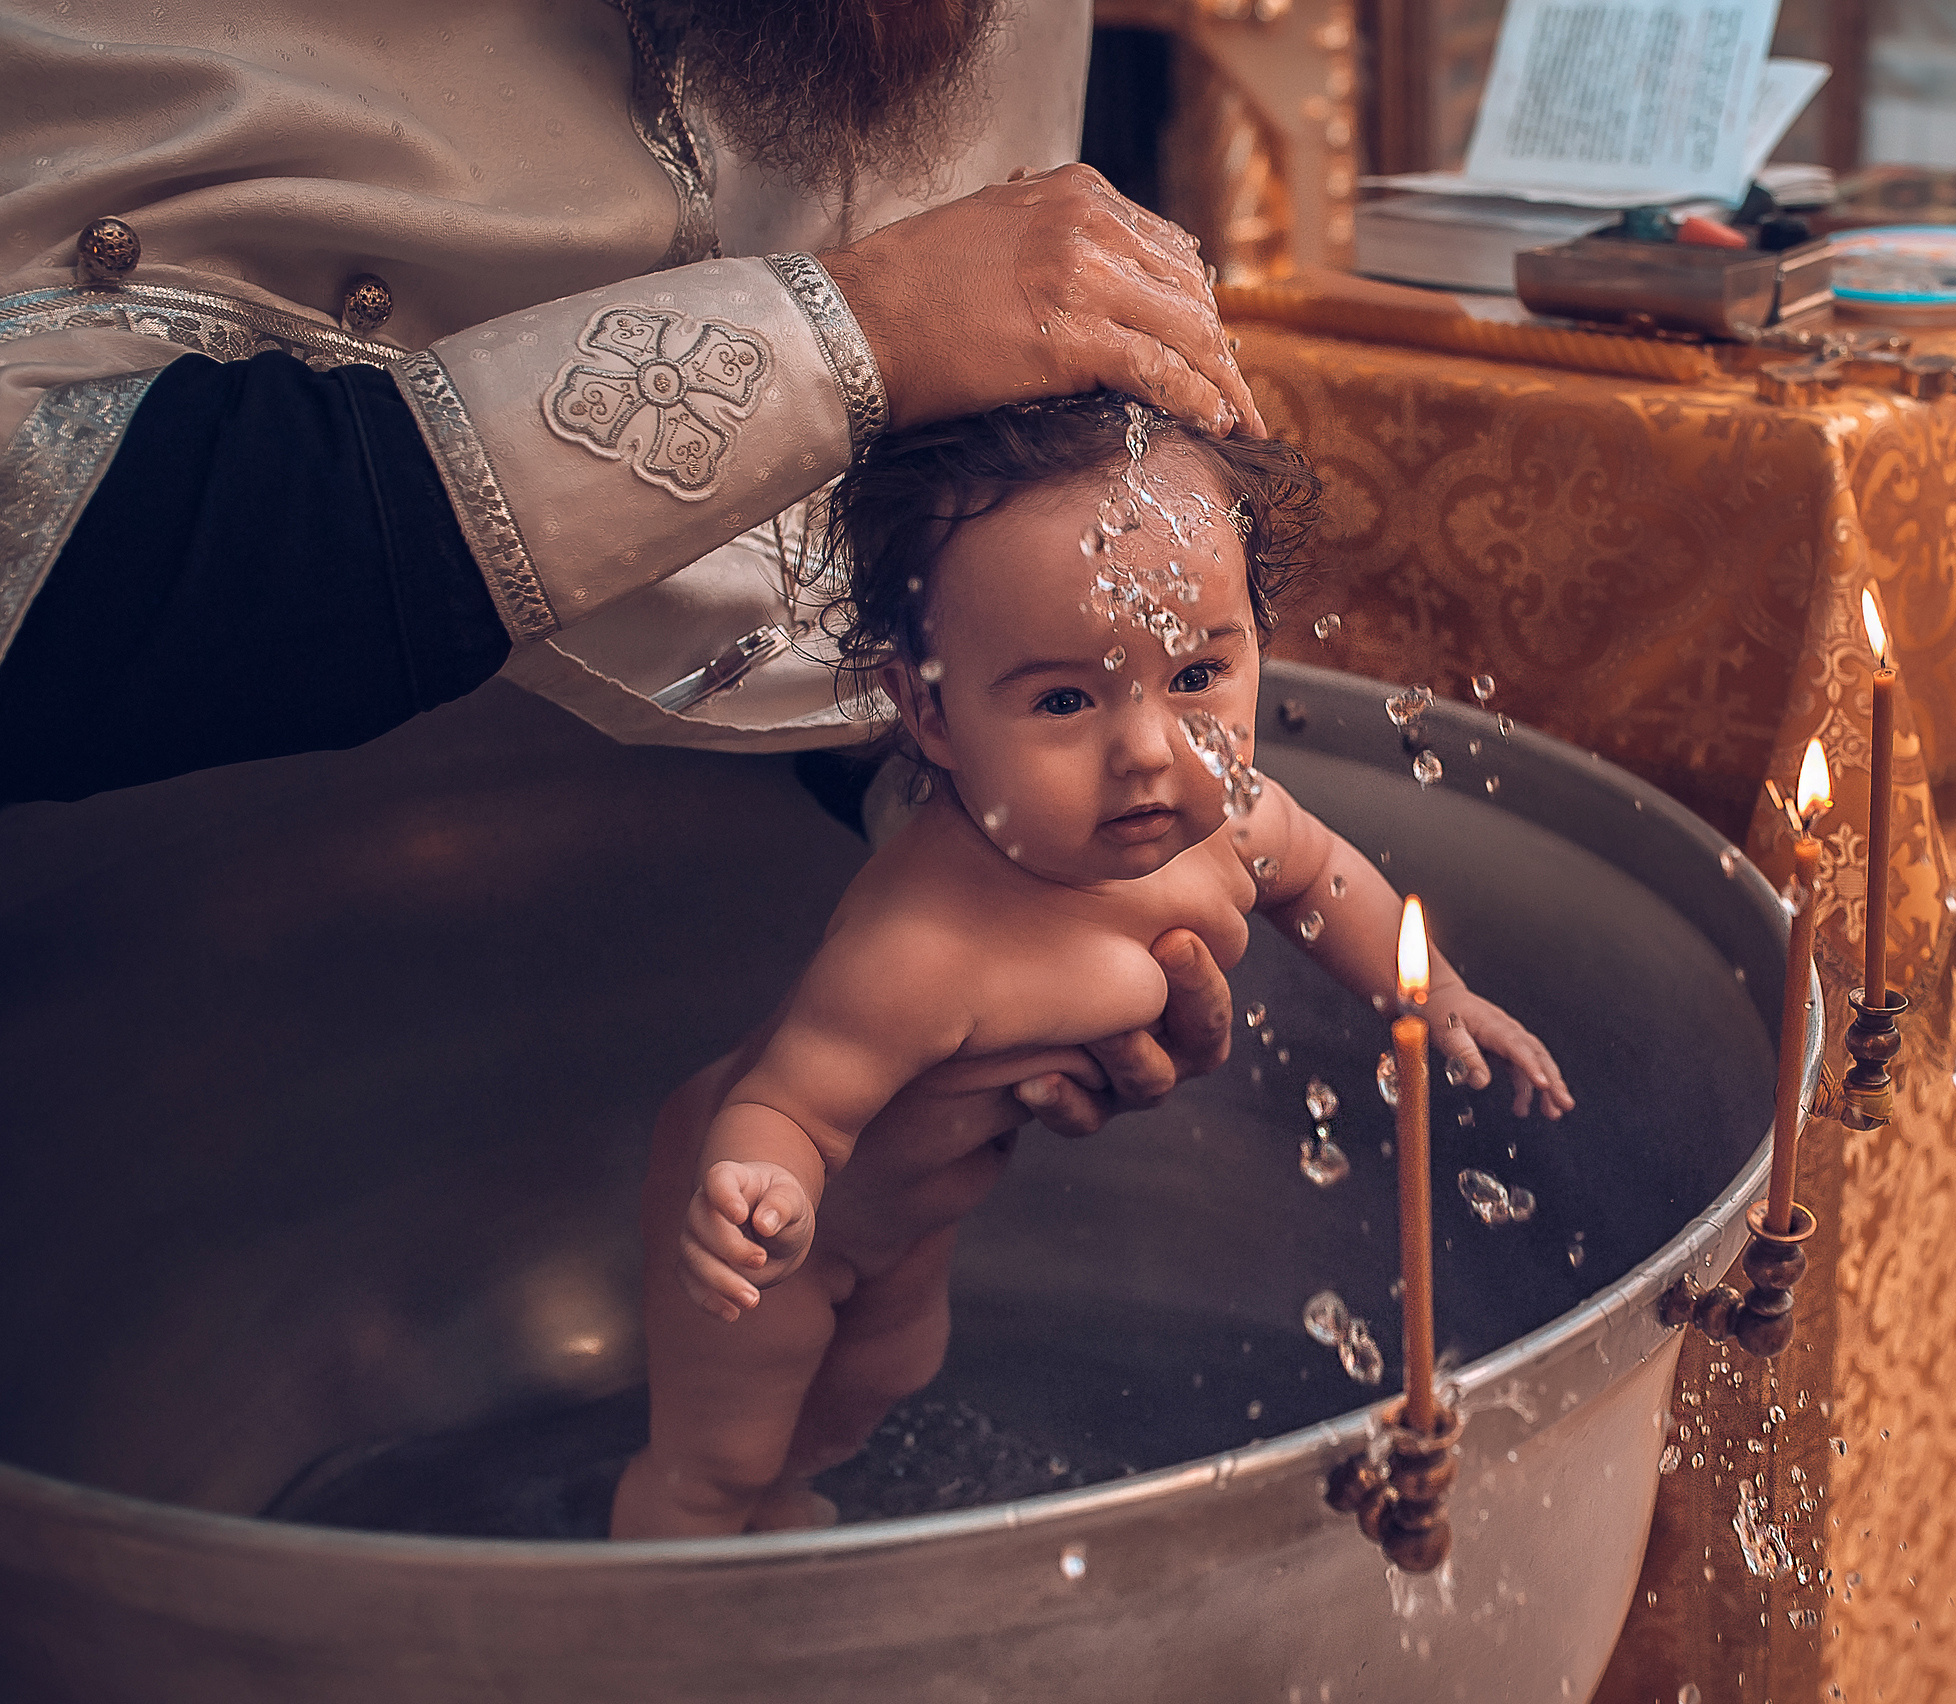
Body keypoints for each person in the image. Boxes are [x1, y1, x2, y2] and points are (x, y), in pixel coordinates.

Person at [0, 0, 1251, 1136]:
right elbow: (41, 546)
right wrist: (858, 337)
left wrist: (992, 826)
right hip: (155, 991)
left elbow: (939, 515)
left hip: (748, 923)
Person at [608, 395, 1574, 1538]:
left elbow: (1323, 880)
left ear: (1258, 646)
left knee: (879, 1385)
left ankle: (778, 1526)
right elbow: (786, 1104)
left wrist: (1437, 995)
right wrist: (753, 1190)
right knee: (718, 1455)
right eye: (1065, 699)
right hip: (773, 1239)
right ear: (928, 709)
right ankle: (669, 1592)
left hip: (910, 1233)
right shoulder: (922, 946)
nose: (1148, 751)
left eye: (1199, 676)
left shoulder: (1236, 819)